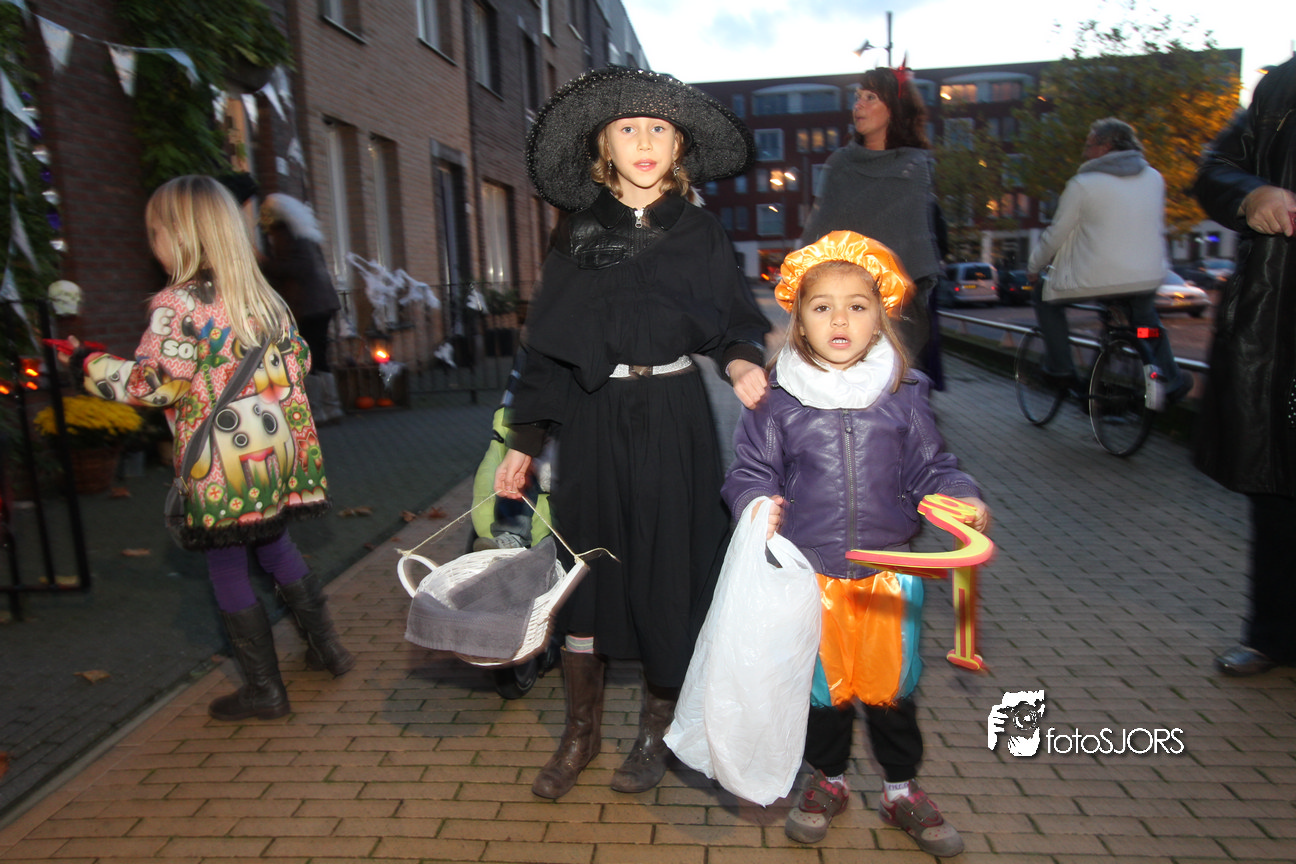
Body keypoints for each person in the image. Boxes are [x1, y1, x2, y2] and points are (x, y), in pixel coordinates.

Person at [494, 66, 770, 800]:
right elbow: (548, 349)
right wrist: (525, 440)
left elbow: (734, 321)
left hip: (675, 415)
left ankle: (658, 730)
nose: (644, 141)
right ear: (603, 147)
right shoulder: (576, 231)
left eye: (658, 128)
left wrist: (741, 362)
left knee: (668, 567)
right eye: (627, 128)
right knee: (586, 567)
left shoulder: (701, 231)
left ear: (677, 145)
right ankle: (580, 733)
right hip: (592, 418)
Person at [722, 231, 988, 858]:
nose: (839, 319)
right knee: (823, 692)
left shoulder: (903, 392)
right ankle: (828, 780)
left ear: (880, 316)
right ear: (799, 319)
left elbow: (932, 467)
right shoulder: (775, 400)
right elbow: (750, 472)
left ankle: (900, 789)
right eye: (822, 307)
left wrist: (959, 496)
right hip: (808, 574)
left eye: (857, 305)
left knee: (893, 690)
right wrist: (756, 504)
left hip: (889, 577)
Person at [67, 175, 353, 721]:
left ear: (179, 236)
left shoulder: (176, 304)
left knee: (225, 566)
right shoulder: (263, 295)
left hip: (221, 464)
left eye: (155, 231)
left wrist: (88, 364)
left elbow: (155, 385)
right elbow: (299, 363)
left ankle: (265, 691)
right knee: (276, 545)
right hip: (273, 453)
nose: (152, 242)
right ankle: (327, 649)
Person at [1192, 58, 1296, 677]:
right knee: (1278, 481)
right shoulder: (1281, 88)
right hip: (1283, 317)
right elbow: (1214, 168)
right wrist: (1251, 193)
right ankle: (1273, 634)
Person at [1026, 118, 1188, 400]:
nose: (1085, 152)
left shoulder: (1083, 183)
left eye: (1089, 145)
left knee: (1043, 296)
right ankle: (1171, 378)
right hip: (1147, 274)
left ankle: (1061, 370)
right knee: (1145, 322)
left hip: (1099, 276)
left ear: (1105, 147)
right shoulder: (1154, 177)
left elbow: (1057, 233)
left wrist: (1034, 266)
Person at [801, 66, 943, 372]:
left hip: (897, 312)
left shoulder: (914, 166)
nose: (858, 105)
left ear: (893, 108)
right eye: (857, 97)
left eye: (870, 97)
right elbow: (816, 234)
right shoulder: (840, 164)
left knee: (892, 393)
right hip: (842, 309)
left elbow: (915, 241)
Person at [259, 193, 345, 424]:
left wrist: (263, 262)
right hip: (321, 303)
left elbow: (294, 268)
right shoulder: (304, 233)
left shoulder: (286, 234)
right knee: (320, 354)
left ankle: (316, 410)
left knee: (308, 356)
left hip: (307, 305)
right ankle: (332, 407)